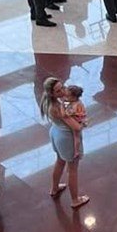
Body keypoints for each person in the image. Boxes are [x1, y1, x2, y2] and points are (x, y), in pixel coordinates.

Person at [40, 77, 88, 208]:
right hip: (66, 139)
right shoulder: (59, 107)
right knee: (72, 170)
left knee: (60, 161)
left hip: (56, 133)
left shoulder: (48, 101)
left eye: (62, 87)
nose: (63, 91)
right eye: (58, 91)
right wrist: (83, 122)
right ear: (52, 93)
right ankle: (75, 200)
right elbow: (76, 127)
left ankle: (54, 188)